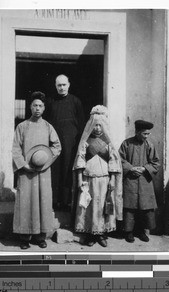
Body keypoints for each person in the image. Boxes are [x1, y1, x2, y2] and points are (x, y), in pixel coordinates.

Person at [12, 91, 61, 250]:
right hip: (26, 172)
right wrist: (23, 165)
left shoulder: (48, 127)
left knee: (43, 201)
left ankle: (41, 236)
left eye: (40, 106)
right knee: (26, 202)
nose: (37, 108)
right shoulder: (22, 126)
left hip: (43, 172)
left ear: (44, 108)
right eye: (35, 105)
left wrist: (46, 161)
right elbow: (15, 149)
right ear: (30, 107)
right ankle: (24, 236)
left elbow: (57, 146)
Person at [73, 105, 122, 247]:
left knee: (102, 206)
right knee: (88, 206)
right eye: (95, 125)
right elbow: (80, 160)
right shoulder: (85, 142)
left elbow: (113, 160)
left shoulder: (109, 143)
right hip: (88, 179)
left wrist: (112, 179)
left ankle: (101, 233)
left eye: (100, 126)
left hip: (104, 179)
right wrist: (80, 179)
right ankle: (90, 233)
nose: (98, 128)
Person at [45, 74, 85, 210]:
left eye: (64, 85)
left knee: (68, 169)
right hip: (54, 142)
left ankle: (67, 201)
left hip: (70, 143)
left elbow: (81, 124)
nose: (61, 88)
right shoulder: (50, 101)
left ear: (68, 85)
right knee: (55, 170)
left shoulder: (76, 101)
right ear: (55, 86)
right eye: (59, 85)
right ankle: (54, 200)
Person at [119, 120, 160, 243]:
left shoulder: (150, 145)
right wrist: (130, 168)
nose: (146, 136)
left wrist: (144, 168)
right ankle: (129, 232)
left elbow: (155, 163)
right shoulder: (126, 144)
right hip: (130, 180)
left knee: (144, 208)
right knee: (129, 207)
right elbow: (119, 160)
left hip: (144, 181)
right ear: (137, 132)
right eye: (144, 134)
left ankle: (141, 231)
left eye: (148, 134)